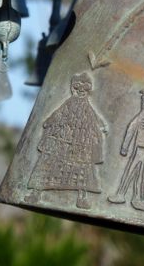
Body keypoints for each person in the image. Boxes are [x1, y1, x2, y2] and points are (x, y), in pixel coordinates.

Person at [26, 72, 107, 210]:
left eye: (85, 88)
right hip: (62, 141)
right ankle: (36, 193)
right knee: (49, 164)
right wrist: (49, 121)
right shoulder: (68, 104)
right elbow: (58, 113)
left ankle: (82, 198)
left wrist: (102, 125)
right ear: (72, 88)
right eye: (77, 87)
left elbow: (94, 117)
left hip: (80, 144)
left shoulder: (87, 107)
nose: (81, 91)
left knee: (82, 169)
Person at [108, 89, 144, 211]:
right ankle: (121, 195)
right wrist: (125, 147)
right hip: (137, 149)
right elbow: (130, 130)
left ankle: (137, 198)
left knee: (141, 175)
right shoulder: (140, 116)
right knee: (130, 171)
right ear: (143, 102)